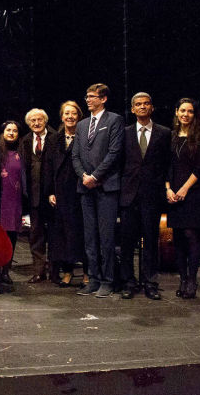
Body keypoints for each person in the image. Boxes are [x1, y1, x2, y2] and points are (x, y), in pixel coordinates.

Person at [72, 83, 124, 298]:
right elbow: (75, 155)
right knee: (90, 237)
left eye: (92, 96)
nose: (88, 100)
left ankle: (108, 280)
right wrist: (84, 176)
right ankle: (93, 279)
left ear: (103, 99)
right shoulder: (82, 124)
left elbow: (114, 153)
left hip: (106, 187)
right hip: (86, 188)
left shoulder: (114, 120)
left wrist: (95, 176)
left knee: (106, 237)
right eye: (87, 96)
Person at [117, 92, 171, 300]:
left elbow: (167, 164)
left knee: (150, 241)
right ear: (132, 109)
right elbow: (120, 164)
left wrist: (165, 188)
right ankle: (128, 282)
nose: (142, 107)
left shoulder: (164, 133)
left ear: (152, 107)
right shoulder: (124, 133)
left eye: (146, 103)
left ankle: (150, 283)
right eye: (138, 104)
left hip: (152, 195)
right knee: (127, 242)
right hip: (129, 195)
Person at [165, 98, 200, 299]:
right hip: (173, 193)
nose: (185, 114)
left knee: (191, 235)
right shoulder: (171, 136)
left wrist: (184, 189)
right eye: (182, 110)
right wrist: (168, 189)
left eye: (190, 111)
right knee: (178, 238)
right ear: (176, 112)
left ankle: (192, 279)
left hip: (194, 192)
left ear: (194, 114)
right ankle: (182, 279)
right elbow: (166, 166)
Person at [44, 101, 87, 288]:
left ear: (79, 116)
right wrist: (50, 192)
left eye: (74, 113)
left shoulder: (85, 136)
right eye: (66, 113)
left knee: (82, 234)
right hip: (60, 192)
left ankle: (87, 273)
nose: (70, 117)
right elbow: (48, 167)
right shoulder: (54, 139)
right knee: (62, 235)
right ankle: (68, 272)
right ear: (62, 117)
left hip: (80, 191)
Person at [19, 108, 59, 283]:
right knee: (36, 235)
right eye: (33, 121)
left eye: (39, 120)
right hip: (34, 196)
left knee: (55, 235)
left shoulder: (55, 137)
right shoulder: (25, 141)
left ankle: (55, 272)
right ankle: (39, 271)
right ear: (29, 124)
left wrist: (55, 191)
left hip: (52, 195)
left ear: (45, 121)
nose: (36, 123)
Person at [0, 120, 23, 287]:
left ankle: (6, 271)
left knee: (12, 236)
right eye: (8, 130)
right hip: (0, 198)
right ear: (3, 132)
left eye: (15, 131)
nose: (11, 133)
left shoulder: (21, 151)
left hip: (15, 199)